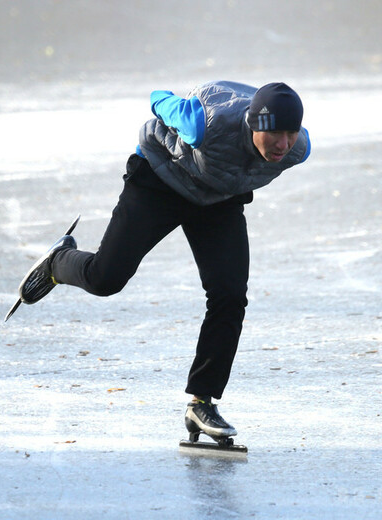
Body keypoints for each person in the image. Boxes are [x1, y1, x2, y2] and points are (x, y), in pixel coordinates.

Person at [18, 81, 310, 441]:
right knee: (105, 278)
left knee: (229, 295)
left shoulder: (298, 150)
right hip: (161, 178)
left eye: (290, 133)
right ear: (252, 125)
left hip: (217, 197)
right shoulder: (207, 124)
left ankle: (202, 402)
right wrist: (179, 106)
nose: (283, 144)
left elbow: (280, 148)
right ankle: (58, 262)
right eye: (273, 133)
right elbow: (158, 99)